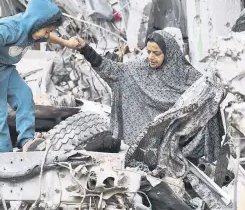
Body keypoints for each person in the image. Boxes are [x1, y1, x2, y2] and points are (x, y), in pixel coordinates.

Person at [0, 0, 81, 152]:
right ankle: (5, 158)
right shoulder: (11, 29)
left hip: (3, 66)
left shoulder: (33, 29)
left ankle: (27, 142)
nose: (47, 35)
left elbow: (46, 37)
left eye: (49, 31)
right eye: (46, 31)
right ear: (36, 23)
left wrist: (66, 43)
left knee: (24, 96)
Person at [74, 30, 203, 146]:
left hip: (181, 145)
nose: (151, 57)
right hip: (149, 146)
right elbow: (113, 71)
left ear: (169, 53)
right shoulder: (140, 69)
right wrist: (86, 50)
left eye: (157, 53)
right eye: (149, 52)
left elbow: (207, 94)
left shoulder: (187, 75)